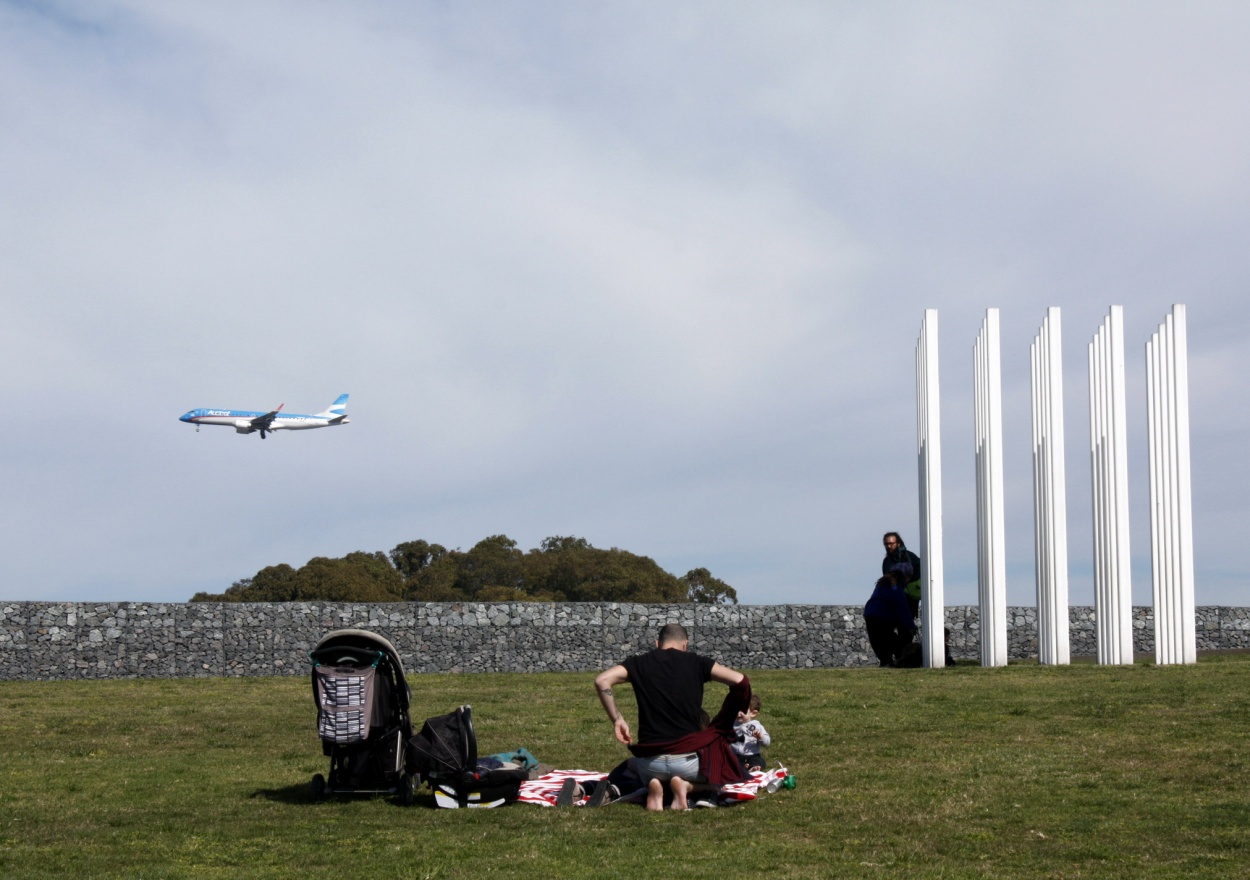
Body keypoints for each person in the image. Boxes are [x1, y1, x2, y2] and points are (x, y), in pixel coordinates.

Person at [594, 623, 750, 811]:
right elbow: (740, 681)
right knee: (718, 774)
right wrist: (720, 724)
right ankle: (685, 787)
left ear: (657, 643)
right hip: (688, 762)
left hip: (650, 764)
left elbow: (602, 680)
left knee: (640, 768)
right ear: (685, 645)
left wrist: (617, 719)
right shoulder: (697, 662)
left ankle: (656, 787)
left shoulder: (639, 663)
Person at [863, 563, 918, 667]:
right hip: (883, 617)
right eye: (909, 576)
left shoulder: (882, 584)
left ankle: (886, 662)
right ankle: (896, 660)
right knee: (890, 640)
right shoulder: (896, 589)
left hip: (870, 614)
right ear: (904, 576)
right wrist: (911, 626)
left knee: (878, 641)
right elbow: (903, 609)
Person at [882, 532, 923, 618]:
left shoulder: (910, 556)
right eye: (886, 544)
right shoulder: (887, 561)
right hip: (896, 597)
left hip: (910, 597)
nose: (889, 546)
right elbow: (886, 579)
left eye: (891, 543)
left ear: (898, 543)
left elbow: (923, 570)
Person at [731, 694, 771, 771]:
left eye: (743, 710)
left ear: (753, 713)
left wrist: (760, 737)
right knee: (731, 762)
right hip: (735, 755)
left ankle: (753, 768)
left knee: (760, 761)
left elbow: (767, 742)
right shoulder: (731, 724)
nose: (738, 713)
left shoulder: (757, 726)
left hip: (753, 755)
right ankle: (743, 768)